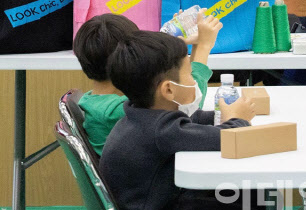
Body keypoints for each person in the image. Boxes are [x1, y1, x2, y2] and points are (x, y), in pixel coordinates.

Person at [100, 31, 264, 210]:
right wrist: (238, 120)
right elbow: (226, 138)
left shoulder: (141, 115)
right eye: (188, 74)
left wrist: (221, 115)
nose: (194, 81)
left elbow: (189, 124)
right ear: (168, 90)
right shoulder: (161, 130)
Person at [74, 11, 221, 155]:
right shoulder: (115, 111)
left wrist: (174, 49)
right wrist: (203, 47)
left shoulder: (98, 101)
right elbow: (189, 104)